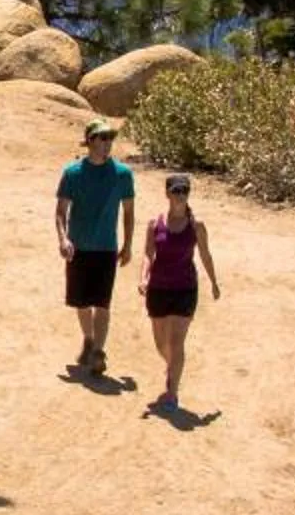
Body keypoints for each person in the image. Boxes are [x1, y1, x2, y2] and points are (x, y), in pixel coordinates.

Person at [54, 116, 135, 376]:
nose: (107, 143)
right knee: (81, 302)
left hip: (106, 248)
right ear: (89, 141)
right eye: (102, 138)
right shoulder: (72, 173)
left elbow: (129, 212)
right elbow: (61, 211)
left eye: (110, 138)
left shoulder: (122, 174)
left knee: (102, 303)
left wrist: (128, 244)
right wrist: (63, 238)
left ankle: (99, 351)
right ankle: (88, 339)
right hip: (79, 248)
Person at [141, 170, 222, 411]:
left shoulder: (197, 226)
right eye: (176, 191)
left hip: (185, 289)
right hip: (158, 288)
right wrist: (143, 277)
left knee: (176, 342)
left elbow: (206, 255)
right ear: (167, 193)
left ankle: (172, 392)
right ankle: (173, 366)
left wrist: (214, 282)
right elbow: (148, 254)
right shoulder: (155, 224)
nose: (181, 196)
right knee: (160, 343)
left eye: (185, 191)